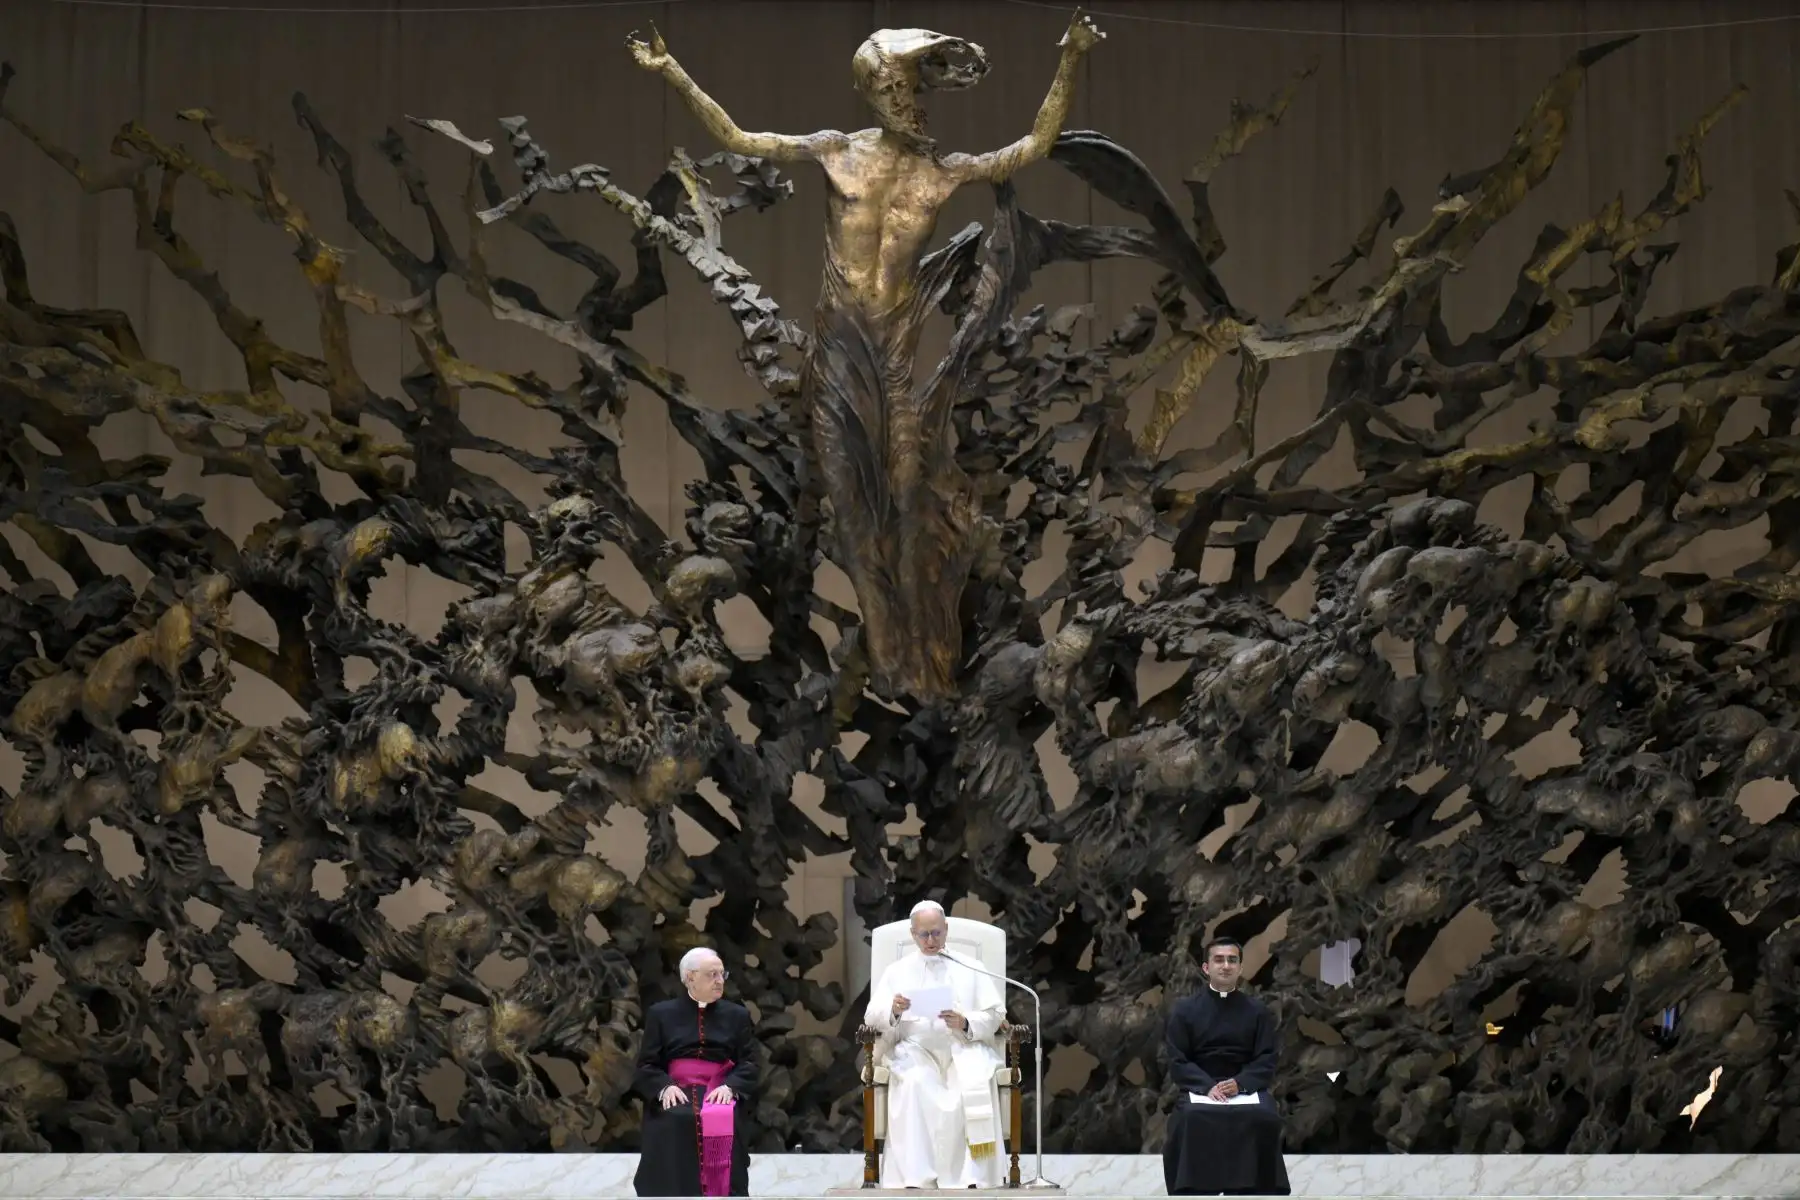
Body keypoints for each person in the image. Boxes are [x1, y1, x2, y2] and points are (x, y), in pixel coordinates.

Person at [627, 14, 1102, 701]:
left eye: (915, 90)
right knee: (853, 507)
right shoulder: (834, 150)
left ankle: (929, 664)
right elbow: (738, 138)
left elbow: (1032, 147)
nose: (911, 103)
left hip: (897, 361)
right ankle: (887, 658)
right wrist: (672, 73)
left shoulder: (944, 171)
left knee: (911, 493)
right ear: (875, 94)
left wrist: (1071, 60)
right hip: (839, 357)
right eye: (898, 90)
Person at [863, 900, 1008, 1188]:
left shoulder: (971, 966)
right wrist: (894, 1009)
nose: (931, 941)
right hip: (916, 1051)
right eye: (924, 935)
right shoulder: (897, 971)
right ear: (912, 934)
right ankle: (917, 1177)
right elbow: (871, 1016)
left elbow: (995, 1015)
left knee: (969, 1085)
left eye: (936, 933)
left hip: (961, 1050)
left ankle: (971, 1177)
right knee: (915, 1083)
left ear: (946, 929)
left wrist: (965, 1022)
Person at [1163, 938, 1291, 1196]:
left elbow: (1267, 1057)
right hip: (1200, 1086)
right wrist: (1207, 1086)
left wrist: (1240, 1083)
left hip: (1245, 1087)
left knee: (1264, 1116)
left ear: (1240, 968)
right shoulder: (1184, 1011)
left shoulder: (1258, 1011)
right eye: (1218, 959)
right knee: (1191, 1117)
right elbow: (1178, 1059)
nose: (1226, 966)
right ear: (1206, 967)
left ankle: (1252, 1191)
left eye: (1232, 960)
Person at [633, 947, 759, 1197]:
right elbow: (646, 1064)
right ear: (689, 977)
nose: (719, 981)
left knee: (725, 1116)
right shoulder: (661, 1014)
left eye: (723, 974)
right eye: (712, 974)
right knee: (675, 1119)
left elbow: (751, 1062)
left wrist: (731, 1087)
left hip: (719, 1089)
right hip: (676, 1089)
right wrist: (664, 1086)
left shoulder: (738, 1015)